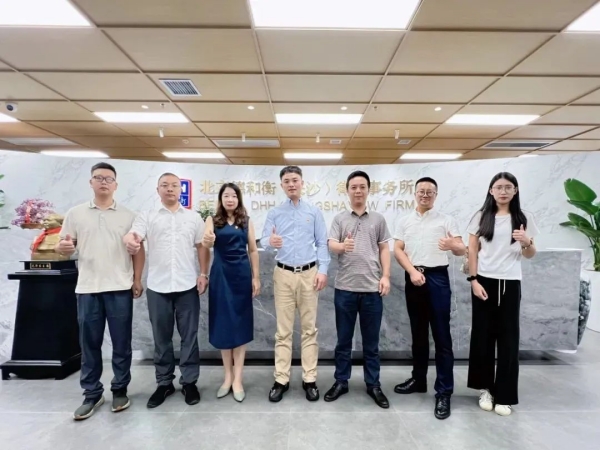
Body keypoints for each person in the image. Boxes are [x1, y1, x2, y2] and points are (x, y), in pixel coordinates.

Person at [56, 162, 145, 421]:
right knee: (90, 344)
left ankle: (120, 389)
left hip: (119, 287)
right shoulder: (75, 213)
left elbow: (139, 250)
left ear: (116, 184)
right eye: (99, 178)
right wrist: (63, 249)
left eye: (108, 179)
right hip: (88, 288)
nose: (104, 182)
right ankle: (92, 394)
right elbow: (64, 246)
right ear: (91, 182)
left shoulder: (129, 215)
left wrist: (137, 279)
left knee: (122, 343)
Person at [123, 173, 210, 408]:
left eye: (174, 186)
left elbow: (202, 246)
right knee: (161, 337)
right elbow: (135, 236)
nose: (170, 189)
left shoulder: (193, 218)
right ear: (158, 189)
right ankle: (164, 383)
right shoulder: (147, 216)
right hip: (158, 287)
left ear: (181, 190)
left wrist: (203, 274)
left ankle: (189, 382)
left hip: (187, 286)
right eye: (165, 185)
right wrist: (130, 240)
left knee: (189, 337)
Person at [393, 177, 466, 420]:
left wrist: (453, 245)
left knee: (442, 336)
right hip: (413, 277)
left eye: (430, 192)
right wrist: (412, 272)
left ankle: (444, 392)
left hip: (437, 278)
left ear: (436, 195)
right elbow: (398, 249)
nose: (425, 195)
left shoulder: (446, 220)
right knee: (418, 333)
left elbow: (461, 249)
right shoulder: (404, 221)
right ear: (415, 193)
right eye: (421, 191)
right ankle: (419, 379)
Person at [466, 172, 538, 417]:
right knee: (482, 338)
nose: (503, 191)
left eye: (508, 187)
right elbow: (472, 251)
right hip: (483, 281)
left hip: (510, 283)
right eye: (499, 187)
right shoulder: (481, 216)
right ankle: (485, 389)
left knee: (509, 340)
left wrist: (527, 241)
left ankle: (505, 396)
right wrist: (473, 280)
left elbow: (529, 254)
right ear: (491, 190)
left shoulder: (523, 217)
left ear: (515, 190)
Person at [260, 165, 330, 403]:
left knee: (309, 330)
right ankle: (281, 379)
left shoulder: (314, 212)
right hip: (283, 274)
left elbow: (322, 243)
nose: (291, 184)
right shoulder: (275, 212)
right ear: (282, 185)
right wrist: (270, 240)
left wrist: (323, 270)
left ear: (302, 183)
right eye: (287, 181)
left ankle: (310, 379)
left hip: (309, 274)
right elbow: (263, 240)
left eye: (295, 180)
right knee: (283, 331)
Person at [324, 170, 392, 409]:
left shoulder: (378, 219)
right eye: (353, 187)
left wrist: (386, 276)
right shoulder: (340, 219)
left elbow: (384, 249)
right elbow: (331, 244)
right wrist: (342, 246)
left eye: (362, 187)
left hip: (372, 289)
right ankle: (341, 381)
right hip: (345, 289)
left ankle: (373, 384)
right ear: (347, 191)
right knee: (343, 341)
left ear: (368, 190)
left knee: (371, 343)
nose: (358, 191)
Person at [202, 183, 260, 403]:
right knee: (224, 324)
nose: (230, 199)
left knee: (240, 325)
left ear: (238, 199)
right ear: (220, 199)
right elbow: (206, 241)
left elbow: (252, 250)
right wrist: (208, 240)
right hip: (220, 276)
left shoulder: (246, 221)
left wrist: (256, 277)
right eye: (226, 195)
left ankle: (238, 379)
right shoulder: (212, 220)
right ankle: (227, 377)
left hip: (241, 276)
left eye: (234, 196)